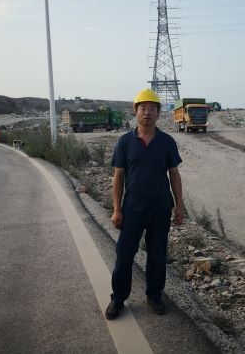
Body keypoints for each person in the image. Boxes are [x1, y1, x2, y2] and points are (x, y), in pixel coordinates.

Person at [105, 88, 184, 320]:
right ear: (136, 112)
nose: (147, 112)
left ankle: (154, 296)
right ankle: (118, 298)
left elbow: (174, 175)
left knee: (157, 255)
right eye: (143, 108)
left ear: (158, 113)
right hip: (132, 209)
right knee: (124, 254)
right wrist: (117, 209)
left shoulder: (167, 142)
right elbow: (118, 177)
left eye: (152, 108)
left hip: (160, 209)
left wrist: (179, 206)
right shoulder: (124, 142)